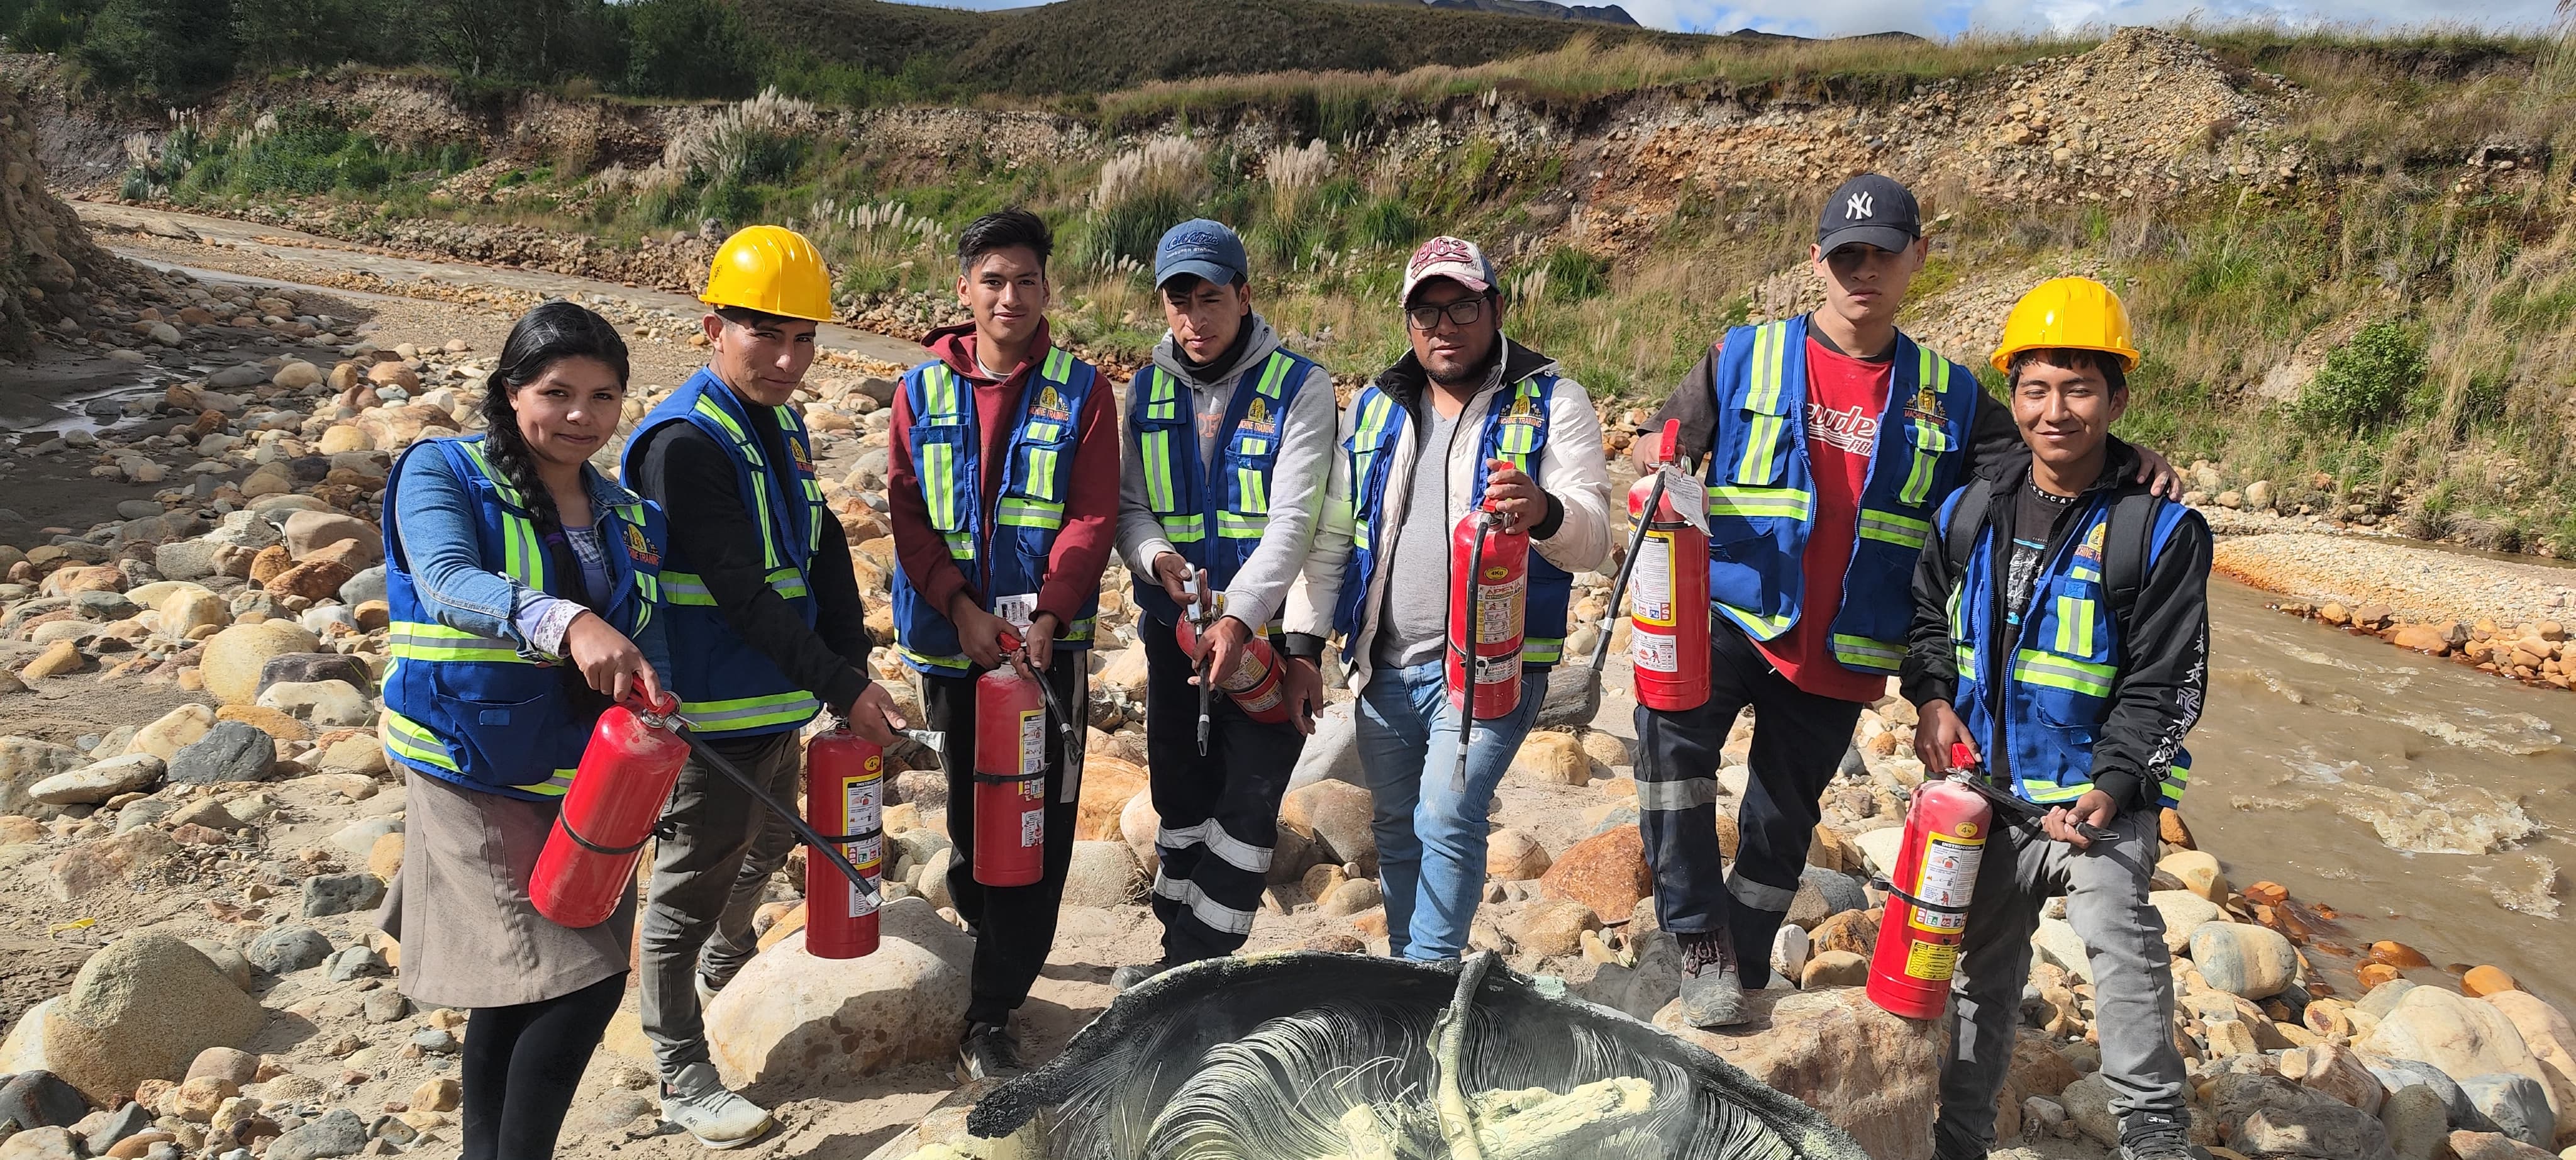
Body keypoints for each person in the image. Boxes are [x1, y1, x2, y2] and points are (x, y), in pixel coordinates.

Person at [1628, 174, 2181, 1027]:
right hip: (1730, 616)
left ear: (1916, 259)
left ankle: (1730, 964)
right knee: (1672, 767)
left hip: (1842, 648)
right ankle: (1695, 941)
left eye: (1882, 254)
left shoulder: (1949, 395)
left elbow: (2044, 443)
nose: (1863, 272)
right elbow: (1661, 447)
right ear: (1816, 259)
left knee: (1780, 825)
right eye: (1846, 254)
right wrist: (1654, 470)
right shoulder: (1743, 354)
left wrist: (2125, 453)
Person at [1904, 277, 2209, 1160]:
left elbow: (2167, 680)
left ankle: (2155, 1138)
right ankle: (1958, 1142)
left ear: (2118, 398)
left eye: (2081, 388)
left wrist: (2114, 787)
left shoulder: (2158, 531)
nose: (2057, 409)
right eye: (2037, 388)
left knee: (2125, 951)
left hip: (2098, 808)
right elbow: (1926, 619)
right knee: (1977, 983)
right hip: (1988, 799)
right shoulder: (1969, 511)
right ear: (2014, 397)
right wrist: (1930, 698)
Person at [621, 225, 904, 1148]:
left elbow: (817, 549)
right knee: (687, 886)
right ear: (713, 328)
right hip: (705, 710)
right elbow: (741, 592)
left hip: (773, 701)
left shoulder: (776, 423)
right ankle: (681, 1069)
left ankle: (725, 958)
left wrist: (848, 667)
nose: (788, 359)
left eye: (805, 338)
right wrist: (840, 686)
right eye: (766, 335)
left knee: (767, 840)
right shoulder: (684, 444)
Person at [374, 301, 667, 1160]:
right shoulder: (444, 472)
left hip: (582, 772)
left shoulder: (623, 511)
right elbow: (444, 579)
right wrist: (569, 623)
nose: (582, 416)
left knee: (516, 987)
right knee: (577, 980)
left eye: (604, 396)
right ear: (510, 393)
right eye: (558, 392)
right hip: (468, 764)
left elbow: (646, 628)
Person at [1302, 235, 1612, 961]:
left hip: (1492, 670)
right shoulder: (1376, 406)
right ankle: (1413, 974)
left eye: (1462, 305)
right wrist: (1305, 640)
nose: (1444, 325)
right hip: (1384, 664)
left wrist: (1544, 510)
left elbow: (1595, 537)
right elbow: (1334, 534)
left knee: (1447, 812)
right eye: (1425, 311)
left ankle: (1434, 981)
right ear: (1408, 323)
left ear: (1495, 307)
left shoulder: (1553, 401)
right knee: (1398, 827)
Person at [887, 208, 1120, 1078]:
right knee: (969, 814)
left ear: (1046, 289)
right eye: (992, 280)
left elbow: (1092, 515)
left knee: (1039, 823)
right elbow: (907, 511)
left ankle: (992, 1011)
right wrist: (959, 609)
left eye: (1025, 280)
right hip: (953, 648)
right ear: (964, 291)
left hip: (1044, 657)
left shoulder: (1081, 388)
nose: (1009, 296)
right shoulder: (920, 390)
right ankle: (987, 926)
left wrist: (1051, 616)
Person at [1111, 220, 1335, 989]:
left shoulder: (1300, 387)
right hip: (1174, 638)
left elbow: (1293, 523)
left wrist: (1245, 621)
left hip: (1266, 645)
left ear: (1244, 296)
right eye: (1179, 302)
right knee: (1179, 799)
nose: (1194, 320)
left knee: (1246, 812)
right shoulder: (1145, 388)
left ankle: (1185, 972)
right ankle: (1180, 959)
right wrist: (1156, 557)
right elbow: (1129, 506)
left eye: (1210, 299)